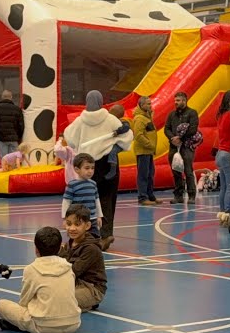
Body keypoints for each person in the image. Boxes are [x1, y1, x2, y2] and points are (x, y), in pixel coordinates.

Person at [62, 91, 131, 249]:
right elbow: (127, 136)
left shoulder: (80, 121)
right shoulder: (110, 119)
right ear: (101, 101)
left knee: (85, 198)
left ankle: (85, 235)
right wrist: (113, 148)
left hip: (87, 162)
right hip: (108, 163)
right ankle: (105, 235)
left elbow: (69, 137)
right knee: (107, 199)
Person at [0, 226, 81, 333]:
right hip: (73, 324)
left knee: (1, 305)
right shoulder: (68, 267)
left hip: (42, 327)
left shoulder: (31, 269)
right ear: (60, 248)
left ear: (36, 249)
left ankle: (21, 325)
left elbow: (24, 301)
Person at [60, 204, 107, 312]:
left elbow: (73, 271)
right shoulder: (70, 244)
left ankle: (89, 302)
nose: (72, 228)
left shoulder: (91, 248)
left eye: (77, 224)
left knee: (60, 300)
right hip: (75, 284)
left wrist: (61, 254)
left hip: (92, 288)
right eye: (69, 224)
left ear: (87, 226)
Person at [163, 90, 201, 204]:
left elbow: (193, 129)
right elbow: (166, 129)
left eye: (178, 100)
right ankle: (178, 196)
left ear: (184, 101)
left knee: (188, 170)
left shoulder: (192, 113)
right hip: (174, 147)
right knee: (175, 171)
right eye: (175, 100)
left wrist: (180, 138)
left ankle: (191, 195)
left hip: (186, 147)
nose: (175, 102)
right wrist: (172, 138)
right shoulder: (171, 115)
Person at [213, 90, 230, 230]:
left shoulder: (221, 115)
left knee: (224, 187)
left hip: (220, 153)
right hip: (229, 153)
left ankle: (223, 213)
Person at [62, 153, 101, 236]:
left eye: (92, 168)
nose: (90, 171)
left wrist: (99, 216)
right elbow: (66, 202)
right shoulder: (72, 184)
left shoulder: (93, 184)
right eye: (87, 168)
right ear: (77, 169)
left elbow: (97, 201)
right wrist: (65, 219)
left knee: (95, 237)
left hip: (92, 219)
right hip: (77, 220)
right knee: (77, 238)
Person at [131, 96, 158, 205]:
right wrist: (149, 144)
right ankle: (142, 197)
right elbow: (138, 135)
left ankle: (150, 196)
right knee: (143, 175)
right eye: (147, 104)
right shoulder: (139, 118)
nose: (150, 106)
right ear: (141, 105)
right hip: (143, 151)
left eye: (150, 104)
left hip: (148, 151)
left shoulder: (146, 117)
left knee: (150, 174)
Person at [0, 90, 24, 159]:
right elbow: (21, 125)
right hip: (13, 138)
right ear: (11, 97)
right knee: (14, 159)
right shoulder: (17, 109)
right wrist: (18, 137)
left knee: (4, 160)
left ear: (2, 97)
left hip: (1, 138)